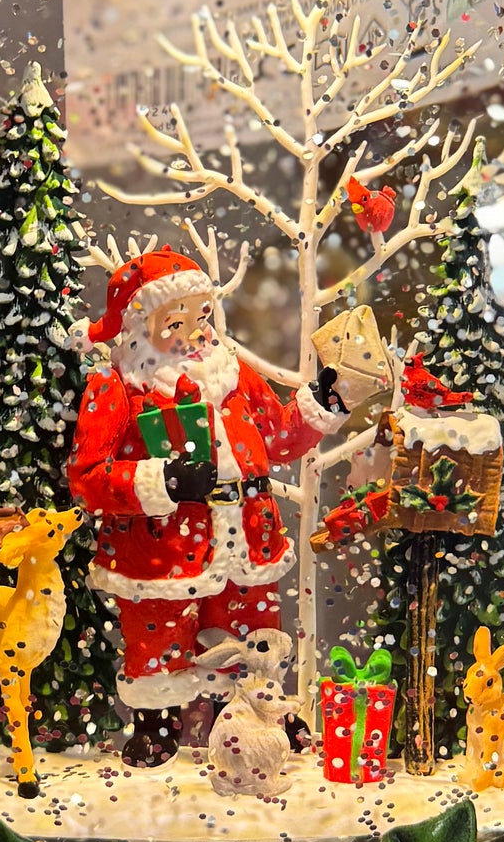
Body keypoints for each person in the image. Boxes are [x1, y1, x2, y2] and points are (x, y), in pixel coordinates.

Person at [69, 247, 349, 766]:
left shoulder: (233, 374)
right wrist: (162, 481)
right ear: (139, 328)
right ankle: (158, 722)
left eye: (200, 317)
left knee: (251, 632)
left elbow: (279, 438)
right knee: (159, 631)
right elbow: (87, 478)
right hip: (162, 548)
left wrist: (321, 404)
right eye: (174, 323)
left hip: (247, 537)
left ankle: (254, 712)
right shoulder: (115, 387)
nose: (193, 334)